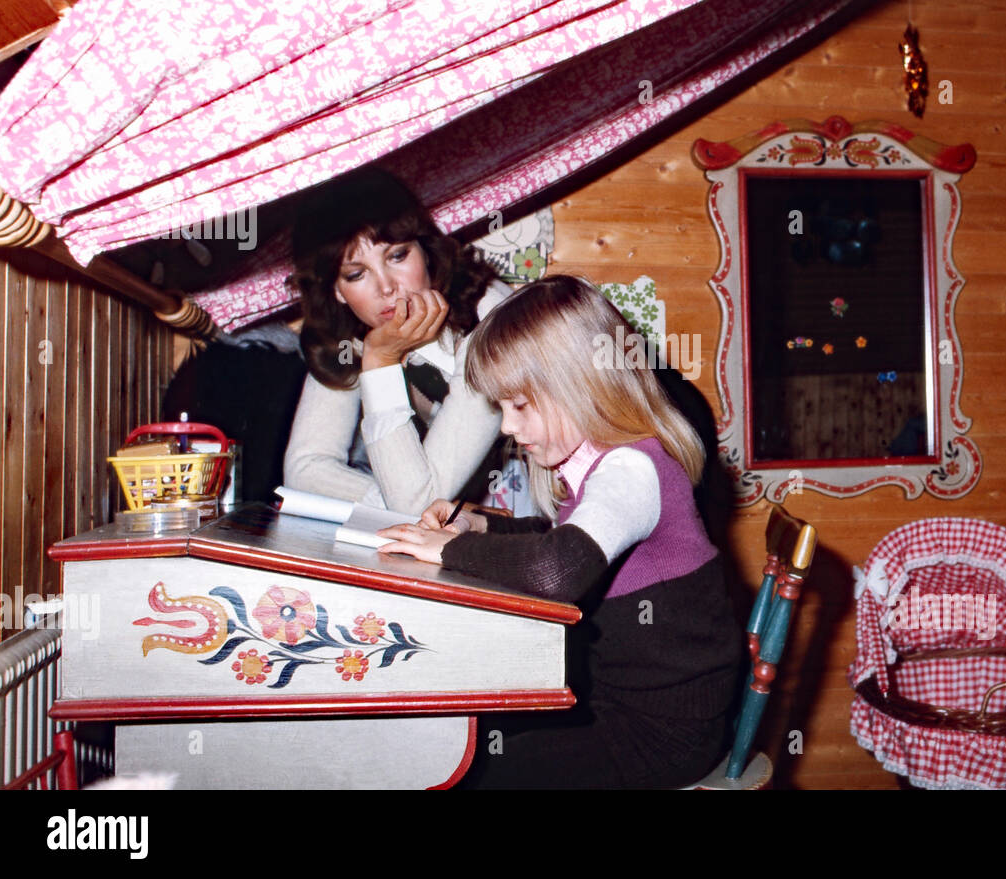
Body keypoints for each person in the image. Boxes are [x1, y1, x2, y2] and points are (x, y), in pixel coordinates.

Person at [377, 273, 744, 789]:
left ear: (582, 384)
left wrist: (452, 549)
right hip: (625, 707)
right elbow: (557, 535)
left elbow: (557, 568)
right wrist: (478, 523)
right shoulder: (608, 459)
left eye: (520, 405)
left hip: (661, 735)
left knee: (477, 772)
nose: (507, 427)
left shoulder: (634, 470)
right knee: (473, 734)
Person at [283, 167, 529, 516]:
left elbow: (418, 503)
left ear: (426, 250)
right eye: (356, 274)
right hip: (460, 520)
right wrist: (410, 502)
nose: (386, 287)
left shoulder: (490, 319)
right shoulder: (347, 337)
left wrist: (381, 362)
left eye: (397, 256)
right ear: (337, 290)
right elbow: (304, 468)